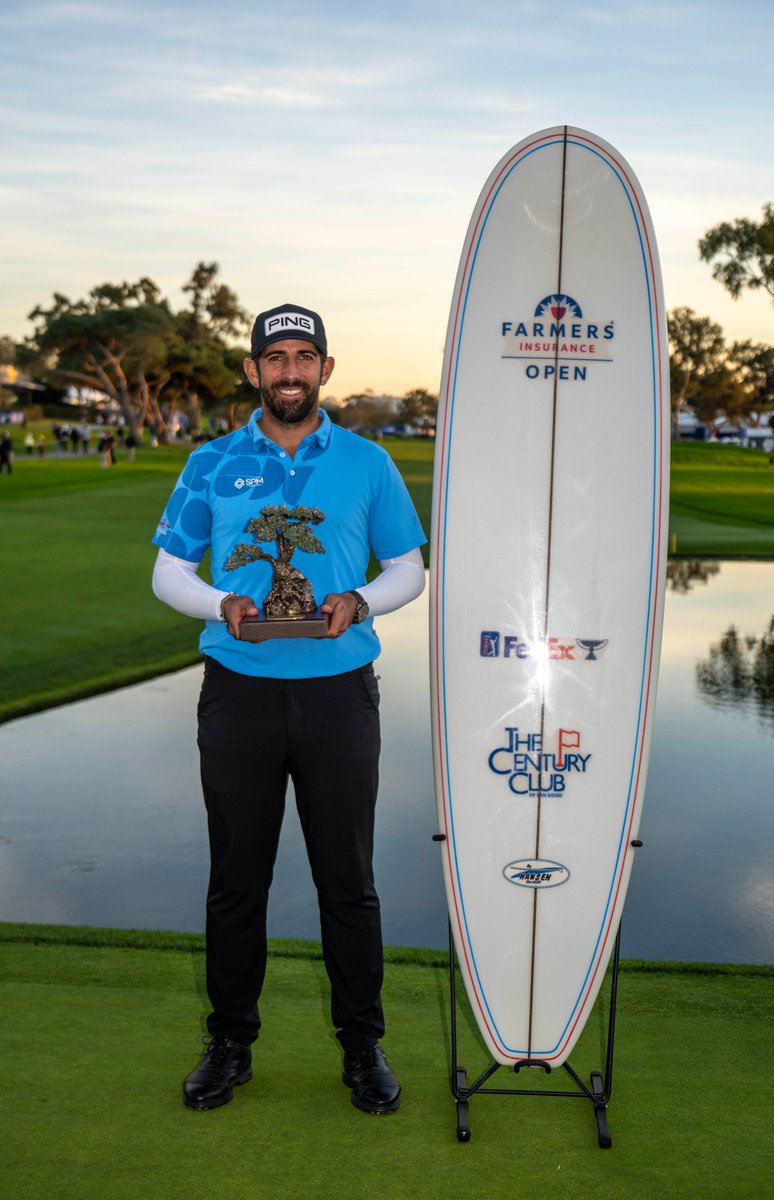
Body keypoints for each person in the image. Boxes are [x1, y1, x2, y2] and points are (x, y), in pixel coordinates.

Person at [151, 303, 426, 1116]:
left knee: (349, 881)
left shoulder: (368, 462)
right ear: (253, 372)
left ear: (326, 371)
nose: (291, 371)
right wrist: (221, 605)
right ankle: (231, 1042)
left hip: (340, 693)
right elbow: (171, 570)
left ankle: (362, 1046)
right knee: (238, 879)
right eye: (277, 358)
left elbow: (408, 567)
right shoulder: (211, 460)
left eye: (306, 356)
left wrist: (360, 601)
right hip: (238, 691)